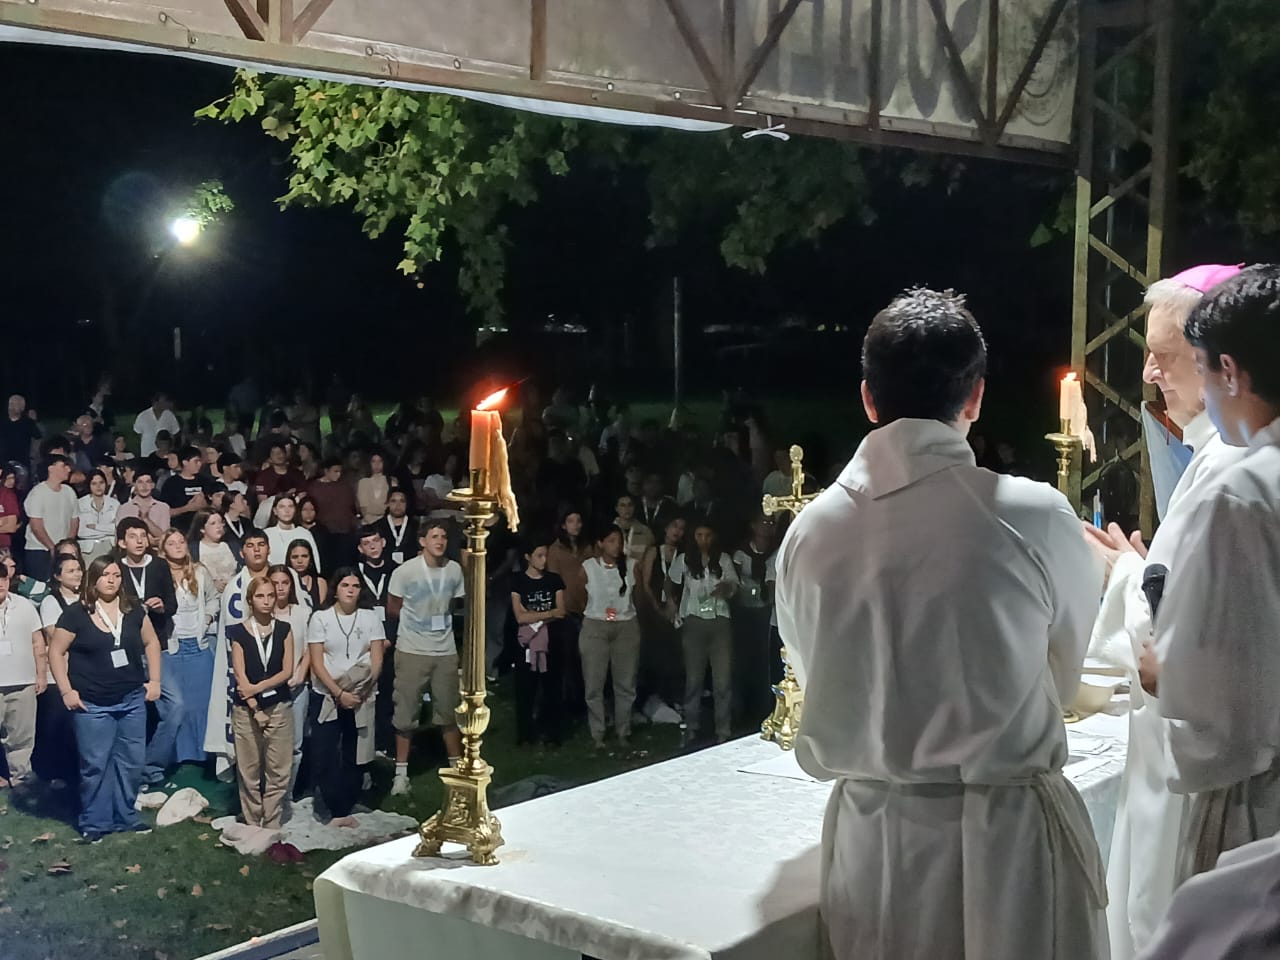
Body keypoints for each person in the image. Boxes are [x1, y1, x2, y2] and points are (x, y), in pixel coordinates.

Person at [775, 288, 1105, 960]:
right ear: (975, 397)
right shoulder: (1032, 515)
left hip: (872, 845)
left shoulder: (809, 532)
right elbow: (1066, 672)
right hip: (1006, 841)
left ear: (868, 399)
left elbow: (812, 671)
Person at [1082, 263, 1247, 959]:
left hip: (1210, 769)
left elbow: (1180, 643)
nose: (1150, 374)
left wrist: (1121, 575)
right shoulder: (1223, 458)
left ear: (1219, 360)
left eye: (1165, 356)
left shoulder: (1230, 473)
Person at [1152, 265, 1280, 882]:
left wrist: (1164, 670)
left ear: (1229, 370)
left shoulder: (1240, 492)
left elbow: (1216, 701)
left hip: (1260, 799)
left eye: (1200, 368)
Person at [50, 555, 162, 840]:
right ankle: (95, 822)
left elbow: (152, 642)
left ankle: (126, 816)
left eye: (116, 575)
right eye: (105, 575)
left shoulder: (133, 609)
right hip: (92, 703)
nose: (111, 580)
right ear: (94, 579)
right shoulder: (76, 613)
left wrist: (155, 680)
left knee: (131, 762)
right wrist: (66, 690)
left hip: (131, 699)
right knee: (96, 764)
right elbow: (56, 651)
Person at [385, 520, 464, 796]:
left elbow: (454, 603)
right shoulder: (405, 571)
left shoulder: (454, 570)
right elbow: (393, 607)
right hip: (412, 649)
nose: (439, 541)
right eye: (434, 536)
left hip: (445, 650)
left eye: (443, 536)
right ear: (422, 541)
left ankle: (456, 768)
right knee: (406, 713)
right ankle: (401, 774)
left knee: (449, 711)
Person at [308, 569, 384, 825]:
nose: (350, 590)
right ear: (335, 589)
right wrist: (339, 692)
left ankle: (348, 803)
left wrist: (360, 692)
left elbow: (377, 659)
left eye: (355, 585)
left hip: (360, 693)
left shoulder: (370, 617)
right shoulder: (321, 618)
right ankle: (332, 806)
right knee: (326, 751)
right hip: (328, 693)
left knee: (355, 751)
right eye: (345, 585)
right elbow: (317, 662)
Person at [115, 517, 181, 786]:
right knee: (131, 713)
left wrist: (162, 607)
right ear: (122, 542)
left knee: (176, 707)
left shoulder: (159, 566)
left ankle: (151, 766)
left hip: (157, 649)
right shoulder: (114, 568)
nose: (140, 541)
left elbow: (173, 605)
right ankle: (127, 769)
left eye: (143, 535)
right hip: (126, 652)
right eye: (133, 536)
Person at [228, 574, 295, 829]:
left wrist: (259, 687)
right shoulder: (238, 632)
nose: (266, 601)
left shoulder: (284, 629)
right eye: (260, 596)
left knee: (279, 769)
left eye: (270, 595)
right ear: (250, 600)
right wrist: (255, 707)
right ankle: (253, 821)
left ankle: (272, 820)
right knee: (249, 769)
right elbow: (240, 674)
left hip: (279, 706)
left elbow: (287, 671)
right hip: (247, 709)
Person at [667, 520, 738, 743]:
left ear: (713, 537)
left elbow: (734, 585)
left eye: (707, 535)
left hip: (719, 621)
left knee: (722, 680)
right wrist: (671, 604)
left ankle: (723, 730)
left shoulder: (723, 559)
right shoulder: (684, 559)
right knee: (694, 679)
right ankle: (691, 726)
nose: (703, 540)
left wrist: (725, 587)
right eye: (699, 535)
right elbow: (670, 581)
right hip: (694, 621)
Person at [159, 529, 218, 765]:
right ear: (163, 549)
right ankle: (178, 756)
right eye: (171, 543)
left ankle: (203, 754)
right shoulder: (159, 574)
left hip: (198, 644)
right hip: (172, 647)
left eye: (181, 541)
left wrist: (208, 619)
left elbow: (213, 599)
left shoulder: (200, 572)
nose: (178, 546)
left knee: (202, 703)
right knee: (178, 705)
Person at [580, 525, 641, 752]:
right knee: (594, 683)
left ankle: (623, 730)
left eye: (619, 541)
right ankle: (598, 733)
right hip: (596, 625)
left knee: (625, 683)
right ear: (601, 543)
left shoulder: (631, 566)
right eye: (611, 541)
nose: (616, 546)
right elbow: (576, 596)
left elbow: (639, 597)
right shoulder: (589, 567)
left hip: (625, 625)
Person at [510, 539, 567, 747]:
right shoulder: (518, 581)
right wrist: (548, 614)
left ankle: (552, 733)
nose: (543, 560)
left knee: (552, 688)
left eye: (545, 555)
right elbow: (519, 616)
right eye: (539, 556)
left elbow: (561, 611)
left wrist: (533, 615)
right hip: (527, 643)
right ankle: (525, 734)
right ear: (528, 557)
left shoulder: (554, 580)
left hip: (552, 641)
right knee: (525, 690)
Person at [34, 553, 82, 785]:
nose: (77, 574)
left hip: (85, 672)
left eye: (79, 569)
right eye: (71, 571)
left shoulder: (88, 598)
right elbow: (54, 635)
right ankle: (56, 773)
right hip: (59, 673)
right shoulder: (51, 602)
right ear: (57, 576)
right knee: (58, 726)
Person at [0, 563, 46, 788]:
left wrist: (41, 674)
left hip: (23, 682)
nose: (0, 584)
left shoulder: (25, 605)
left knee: (22, 738)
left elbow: (38, 642)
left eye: (3, 579)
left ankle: (21, 780)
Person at [268, 564, 311, 797]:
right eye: (275, 583)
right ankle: (270, 793)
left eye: (285, 583)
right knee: (271, 744)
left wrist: (301, 673)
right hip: (270, 688)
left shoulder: (303, 613)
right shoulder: (263, 614)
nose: (280, 588)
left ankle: (287, 793)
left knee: (295, 744)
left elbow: (311, 647)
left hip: (297, 686)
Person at [355, 526, 398, 754]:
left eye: (375, 540)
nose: (372, 546)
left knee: (390, 694)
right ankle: (365, 743)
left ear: (383, 542)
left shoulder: (396, 572)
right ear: (360, 549)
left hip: (392, 642)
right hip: (364, 644)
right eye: (366, 543)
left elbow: (403, 609)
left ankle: (386, 741)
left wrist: (389, 639)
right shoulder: (354, 574)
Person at [637, 513, 686, 711]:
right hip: (653, 610)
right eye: (674, 525)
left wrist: (675, 606)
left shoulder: (683, 554)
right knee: (654, 653)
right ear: (666, 528)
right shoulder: (653, 551)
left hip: (676, 611)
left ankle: (673, 697)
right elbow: (646, 583)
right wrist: (657, 607)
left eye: (681, 528)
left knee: (675, 654)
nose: (677, 531)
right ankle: (651, 697)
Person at [732, 514, 776, 724]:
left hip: (764, 610)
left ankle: (764, 708)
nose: (766, 527)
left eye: (771, 523)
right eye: (763, 522)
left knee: (763, 660)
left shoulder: (776, 553)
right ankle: (740, 710)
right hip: (743, 610)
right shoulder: (741, 553)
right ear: (753, 525)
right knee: (742, 658)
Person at [23, 454, 78, 582]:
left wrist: (68, 544)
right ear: (51, 468)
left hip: (63, 550)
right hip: (40, 550)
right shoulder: (38, 493)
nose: (68, 469)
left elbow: (74, 520)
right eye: (64, 466)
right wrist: (52, 547)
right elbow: (36, 525)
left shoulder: (69, 492)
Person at [158, 446, 210, 536]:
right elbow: (164, 512)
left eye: (200, 461)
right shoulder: (171, 483)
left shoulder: (205, 481)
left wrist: (205, 505)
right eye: (196, 461)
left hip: (203, 531)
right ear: (185, 462)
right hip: (181, 530)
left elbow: (214, 506)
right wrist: (187, 508)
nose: (199, 464)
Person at [115, 467, 172, 545]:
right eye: (140, 482)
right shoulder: (124, 508)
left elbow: (165, 537)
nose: (144, 486)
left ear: (153, 485)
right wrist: (146, 540)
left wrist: (146, 519)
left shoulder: (163, 507)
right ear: (134, 484)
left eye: (148, 482)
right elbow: (121, 536)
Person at [265, 494, 321, 570]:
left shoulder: (304, 533)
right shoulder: (267, 534)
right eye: (282, 507)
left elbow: (315, 561)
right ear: (275, 511)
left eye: (290, 506)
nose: (287, 510)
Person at [76, 469, 119, 563]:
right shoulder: (80, 503)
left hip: (110, 546)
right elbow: (81, 532)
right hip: (88, 549)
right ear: (89, 485)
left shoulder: (115, 503)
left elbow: (116, 529)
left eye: (101, 482)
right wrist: (107, 529)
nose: (98, 486)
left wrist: (95, 527)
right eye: (94, 483)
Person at [190, 509, 237, 594]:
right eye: (213, 523)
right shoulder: (193, 549)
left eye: (220, 522)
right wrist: (211, 584)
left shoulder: (233, 546)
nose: (218, 526)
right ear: (202, 529)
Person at [133, 393, 181, 458]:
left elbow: (174, 433)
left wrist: (170, 448)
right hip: (147, 453)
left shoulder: (170, 415)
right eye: (163, 401)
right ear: (156, 402)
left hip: (165, 455)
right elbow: (138, 433)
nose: (166, 403)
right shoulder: (143, 416)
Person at [375, 489, 413, 566]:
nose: (398, 505)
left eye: (402, 501)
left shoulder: (417, 526)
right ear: (387, 504)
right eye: (393, 501)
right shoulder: (377, 527)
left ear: (407, 504)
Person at [287, 539, 327, 608]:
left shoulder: (320, 582)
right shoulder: (284, 583)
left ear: (310, 558)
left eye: (304, 556)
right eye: (295, 557)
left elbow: (322, 610)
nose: (300, 561)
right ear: (289, 559)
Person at [356, 452, 390, 527]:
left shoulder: (391, 483)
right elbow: (364, 508)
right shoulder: (363, 482)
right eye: (373, 461)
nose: (377, 464)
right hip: (367, 524)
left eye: (380, 461)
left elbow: (390, 507)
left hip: (387, 524)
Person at [220, 490, 254, 560]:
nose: (245, 502)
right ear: (232, 505)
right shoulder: (220, 523)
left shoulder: (247, 522)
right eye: (242, 500)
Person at [0, 463, 19, 554]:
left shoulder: (7, 495)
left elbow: (11, 527)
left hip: (2, 547)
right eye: (9, 478)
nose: (12, 481)